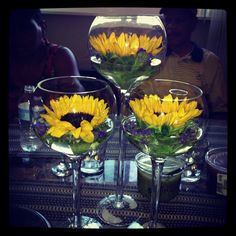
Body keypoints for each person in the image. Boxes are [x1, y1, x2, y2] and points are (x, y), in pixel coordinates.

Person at [151, 8, 227, 119]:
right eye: (168, 20)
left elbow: (220, 110)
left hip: (190, 129)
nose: (171, 26)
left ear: (193, 24)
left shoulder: (210, 61)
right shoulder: (149, 57)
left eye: (179, 21)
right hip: (148, 127)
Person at [9, 9, 82, 121]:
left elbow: (78, 98)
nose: (19, 37)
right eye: (12, 31)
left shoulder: (59, 57)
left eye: (25, 29)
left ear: (42, 26)